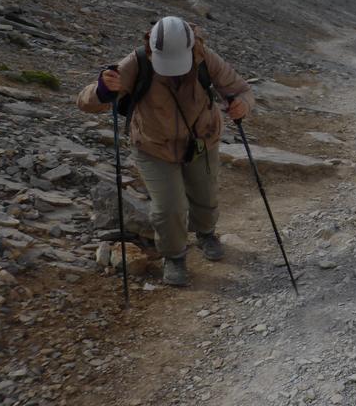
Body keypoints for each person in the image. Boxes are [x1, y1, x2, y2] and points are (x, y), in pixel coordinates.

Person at [77, 16, 254, 286]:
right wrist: (101, 90)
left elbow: (240, 89)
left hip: (201, 140)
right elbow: (87, 102)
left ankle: (206, 233)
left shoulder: (206, 58)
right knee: (169, 207)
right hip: (153, 145)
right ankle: (174, 256)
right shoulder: (137, 61)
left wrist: (242, 105)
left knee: (205, 196)